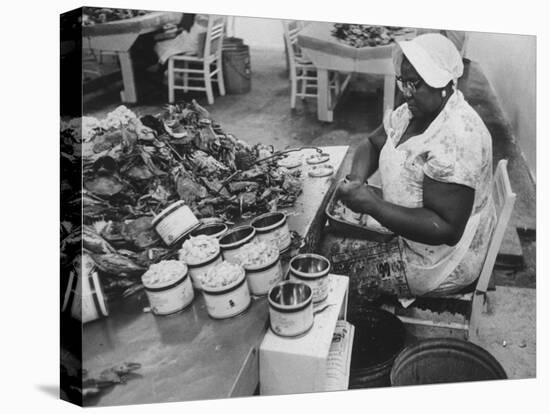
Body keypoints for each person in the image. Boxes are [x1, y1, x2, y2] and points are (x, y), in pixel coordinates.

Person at [330, 33, 494, 302]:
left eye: (414, 83)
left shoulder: (458, 138)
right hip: (404, 231)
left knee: (331, 260)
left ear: (442, 82)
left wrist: (372, 205)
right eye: (403, 81)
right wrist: (358, 180)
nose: (405, 92)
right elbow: (371, 144)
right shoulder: (414, 110)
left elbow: (446, 229)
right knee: (331, 237)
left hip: (434, 261)